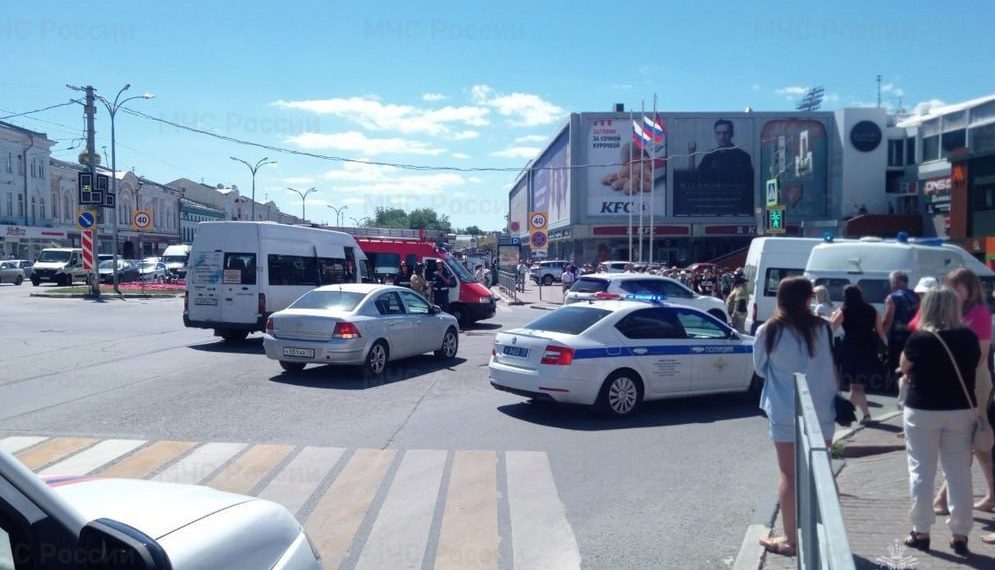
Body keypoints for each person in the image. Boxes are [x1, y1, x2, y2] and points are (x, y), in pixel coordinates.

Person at [754, 277, 838, 557]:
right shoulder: (824, 329)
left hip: (784, 409)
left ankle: (792, 540)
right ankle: (826, 531)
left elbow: (761, 369)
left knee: (789, 475)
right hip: (822, 410)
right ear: (807, 298)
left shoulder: (769, 331)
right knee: (820, 474)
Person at [899, 287, 980, 556]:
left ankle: (921, 531)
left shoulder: (920, 338)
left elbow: (904, 365)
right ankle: (960, 535)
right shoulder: (969, 337)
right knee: (958, 472)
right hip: (960, 410)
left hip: (922, 410)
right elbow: (976, 366)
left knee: (922, 470)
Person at [933, 268, 995, 515]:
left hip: (972, 381)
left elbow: (980, 355)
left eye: (958, 287)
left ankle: (943, 497)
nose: (954, 292)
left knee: (970, 439)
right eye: (951, 286)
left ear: (970, 288)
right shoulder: (947, 312)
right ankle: (990, 492)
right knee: (973, 442)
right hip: (952, 382)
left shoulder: (978, 313)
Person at [831, 286, 886, 424]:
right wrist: (885, 347)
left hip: (851, 348)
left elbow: (832, 327)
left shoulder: (844, 311)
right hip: (868, 348)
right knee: (856, 384)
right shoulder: (871, 310)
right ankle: (848, 414)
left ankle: (865, 415)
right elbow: (880, 330)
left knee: (856, 385)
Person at [695, 119, 755, 190]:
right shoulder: (709, 156)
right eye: (719, 133)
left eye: (726, 133)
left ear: (732, 134)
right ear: (715, 135)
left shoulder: (743, 156)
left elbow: (749, 182)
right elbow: (699, 179)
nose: (722, 137)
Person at [882, 271, 919, 385]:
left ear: (895, 281)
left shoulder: (893, 297)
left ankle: (895, 386)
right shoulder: (915, 295)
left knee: (895, 363)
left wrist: (881, 334)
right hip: (912, 335)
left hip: (896, 337)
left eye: (891, 282)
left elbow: (888, 319)